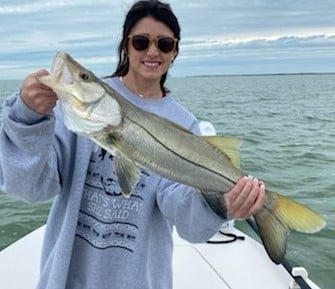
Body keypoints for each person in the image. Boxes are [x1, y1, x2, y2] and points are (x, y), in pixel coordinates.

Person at [0, 1, 265, 288]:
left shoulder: (185, 123)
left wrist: (220, 204)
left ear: (174, 51)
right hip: (68, 278)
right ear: (125, 46)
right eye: (141, 42)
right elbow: (31, 187)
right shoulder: (75, 111)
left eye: (164, 44)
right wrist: (27, 118)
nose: (152, 52)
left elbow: (181, 212)